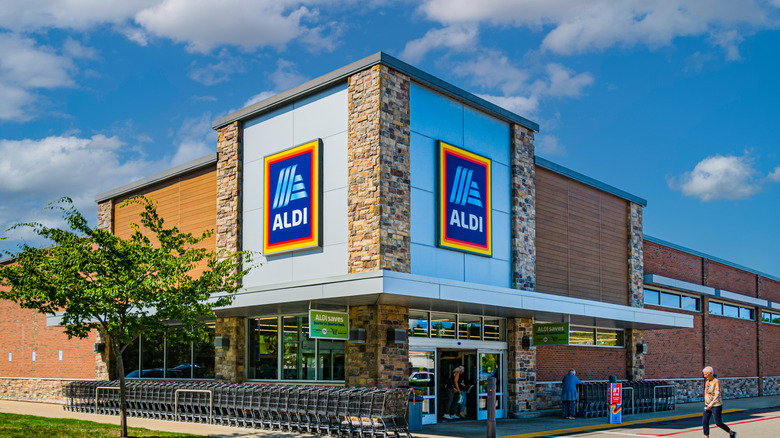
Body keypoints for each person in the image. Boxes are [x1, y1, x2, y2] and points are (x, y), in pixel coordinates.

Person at [702, 366, 736, 438]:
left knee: (718, 423)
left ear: (711, 373)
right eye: (704, 374)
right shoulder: (707, 382)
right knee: (705, 421)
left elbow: (717, 395)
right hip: (707, 405)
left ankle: (731, 433)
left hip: (716, 405)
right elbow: (706, 392)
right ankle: (706, 437)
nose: (704, 376)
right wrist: (706, 402)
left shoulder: (716, 382)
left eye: (706, 374)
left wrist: (710, 405)